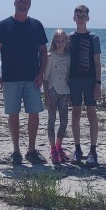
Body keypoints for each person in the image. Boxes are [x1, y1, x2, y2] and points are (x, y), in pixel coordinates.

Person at [0, 0, 49, 166]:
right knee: (13, 114)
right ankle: (16, 151)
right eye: (20, 1)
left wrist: (41, 74)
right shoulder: (3, 25)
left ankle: (31, 151)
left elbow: (43, 53)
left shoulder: (36, 25)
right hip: (10, 79)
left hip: (33, 79)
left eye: (26, 2)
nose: (22, 4)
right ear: (14, 2)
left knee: (34, 114)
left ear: (30, 5)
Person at [69, 4, 102, 168]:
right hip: (73, 80)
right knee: (75, 112)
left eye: (84, 16)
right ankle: (77, 149)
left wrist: (98, 83)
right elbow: (58, 55)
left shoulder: (94, 38)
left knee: (91, 112)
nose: (81, 18)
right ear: (73, 18)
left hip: (90, 80)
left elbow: (97, 62)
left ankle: (93, 151)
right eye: (78, 15)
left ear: (88, 18)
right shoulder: (69, 38)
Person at [43, 29, 72, 164]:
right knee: (52, 119)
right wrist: (46, 95)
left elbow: (68, 76)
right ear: (54, 41)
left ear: (66, 41)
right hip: (52, 90)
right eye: (57, 41)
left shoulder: (68, 57)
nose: (60, 43)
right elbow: (45, 76)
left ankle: (59, 146)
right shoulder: (50, 56)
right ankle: (52, 149)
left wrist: (70, 94)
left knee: (64, 121)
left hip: (64, 91)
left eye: (62, 41)